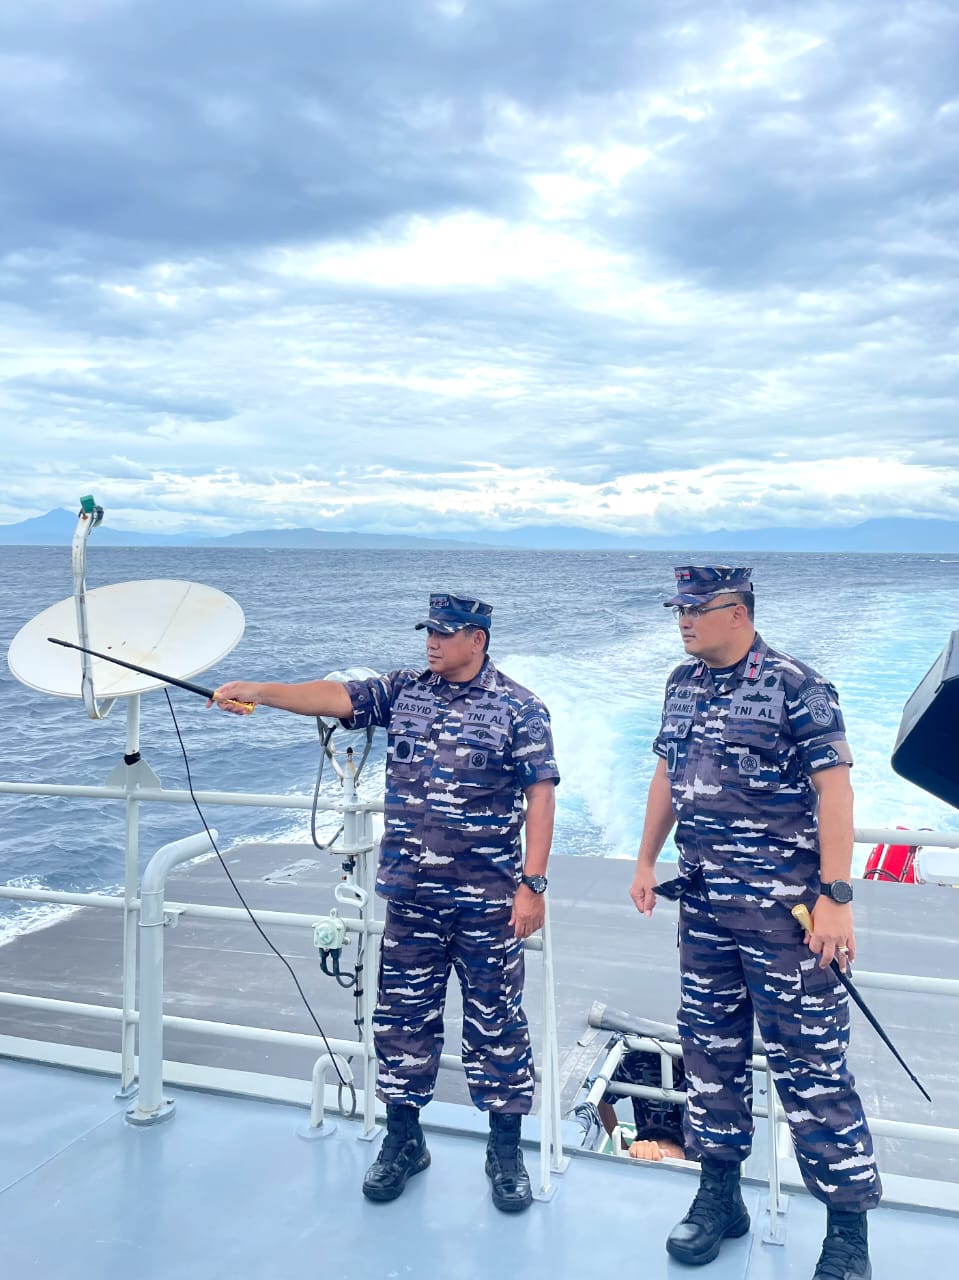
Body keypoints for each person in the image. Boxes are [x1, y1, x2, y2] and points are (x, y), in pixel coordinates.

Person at [212, 591, 560, 1213]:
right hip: (411, 898)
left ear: (477, 639)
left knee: (497, 1025)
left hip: (486, 902)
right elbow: (333, 696)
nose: (432, 642)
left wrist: (532, 885)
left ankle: (505, 1153)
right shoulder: (403, 691)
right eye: (429, 631)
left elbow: (541, 795)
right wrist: (259, 691)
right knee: (402, 1022)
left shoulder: (519, 708)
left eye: (445, 633)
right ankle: (404, 1142)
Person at [629, 567, 880, 1279]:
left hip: (787, 920)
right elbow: (666, 775)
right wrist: (645, 859)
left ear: (736, 612)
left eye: (695, 609)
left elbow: (836, 792)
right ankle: (719, 1198)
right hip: (705, 910)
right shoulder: (680, 684)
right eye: (677, 609)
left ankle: (847, 1235)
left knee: (811, 1068)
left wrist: (836, 896)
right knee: (709, 1055)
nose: (682, 620)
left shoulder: (798, 686)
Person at [597, 1043, 688, 1162]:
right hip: (648, 1150)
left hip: (704, 1152)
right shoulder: (637, 1062)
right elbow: (601, 1097)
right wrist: (622, 1146)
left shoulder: (711, 1072)